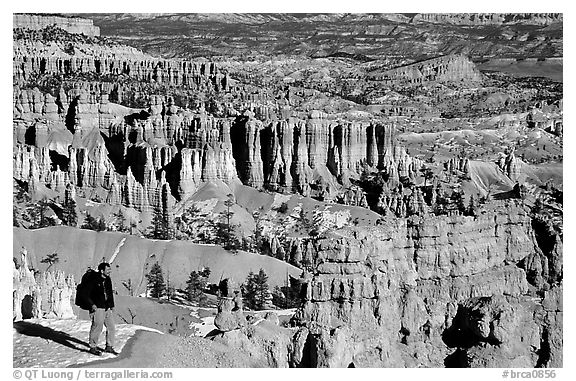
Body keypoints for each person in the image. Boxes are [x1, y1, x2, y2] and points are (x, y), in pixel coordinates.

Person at [84, 262, 118, 356]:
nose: (109, 271)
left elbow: (109, 293)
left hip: (107, 307)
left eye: (110, 269)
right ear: (102, 270)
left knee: (111, 327)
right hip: (97, 307)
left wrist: (112, 305)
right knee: (97, 326)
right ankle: (93, 347)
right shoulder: (94, 280)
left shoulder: (108, 280)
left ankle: (109, 347)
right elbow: (86, 294)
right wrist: (91, 305)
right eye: (108, 270)